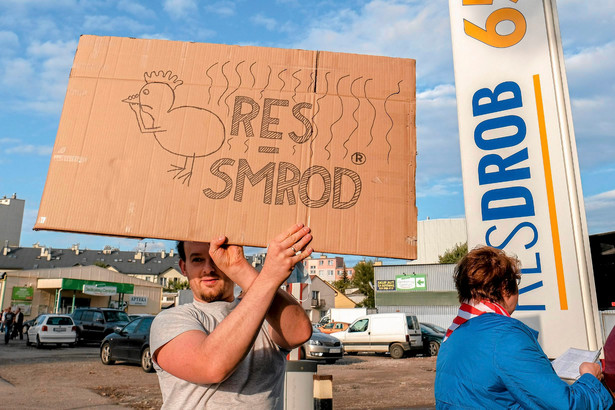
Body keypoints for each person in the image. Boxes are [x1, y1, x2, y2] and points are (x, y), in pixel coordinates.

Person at [150, 223, 314, 409]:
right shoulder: (171, 319)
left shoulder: (264, 312)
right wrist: (268, 276)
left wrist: (238, 267)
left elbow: (299, 332)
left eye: (215, 257)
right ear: (183, 267)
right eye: (197, 260)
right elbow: (211, 366)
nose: (208, 268)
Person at [435, 246, 613, 409]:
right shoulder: (506, 336)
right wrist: (590, 379)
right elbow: (566, 405)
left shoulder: (454, 334)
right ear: (505, 288)